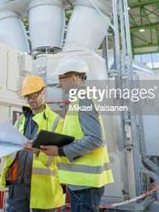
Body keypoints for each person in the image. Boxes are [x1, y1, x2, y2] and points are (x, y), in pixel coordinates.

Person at [39, 56, 113, 211]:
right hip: (81, 184)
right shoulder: (79, 101)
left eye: (61, 78)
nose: (59, 84)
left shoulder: (84, 100)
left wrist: (60, 151)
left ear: (73, 78)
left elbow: (95, 139)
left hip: (85, 185)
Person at [0, 75, 65, 212]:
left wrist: (39, 151)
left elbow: (61, 158)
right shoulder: (20, 120)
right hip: (18, 186)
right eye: (27, 97)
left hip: (43, 188)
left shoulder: (56, 121)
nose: (30, 100)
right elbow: (13, 153)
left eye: (33, 95)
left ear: (43, 91)